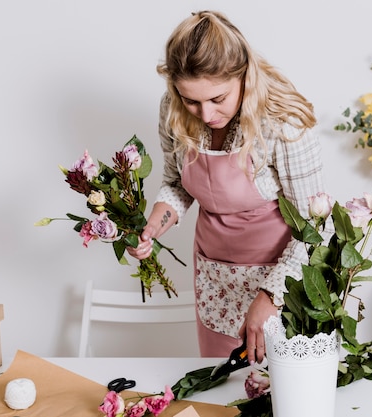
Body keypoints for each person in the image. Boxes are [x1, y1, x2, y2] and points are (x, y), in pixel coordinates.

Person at [127, 10, 329, 364]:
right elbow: (177, 183)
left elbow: (316, 229)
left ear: (244, 76)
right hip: (215, 281)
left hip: (284, 277)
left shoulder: (284, 121)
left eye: (217, 99)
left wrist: (271, 296)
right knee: (221, 391)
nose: (204, 115)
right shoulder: (173, 110)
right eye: (191, 100)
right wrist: (153, 228)